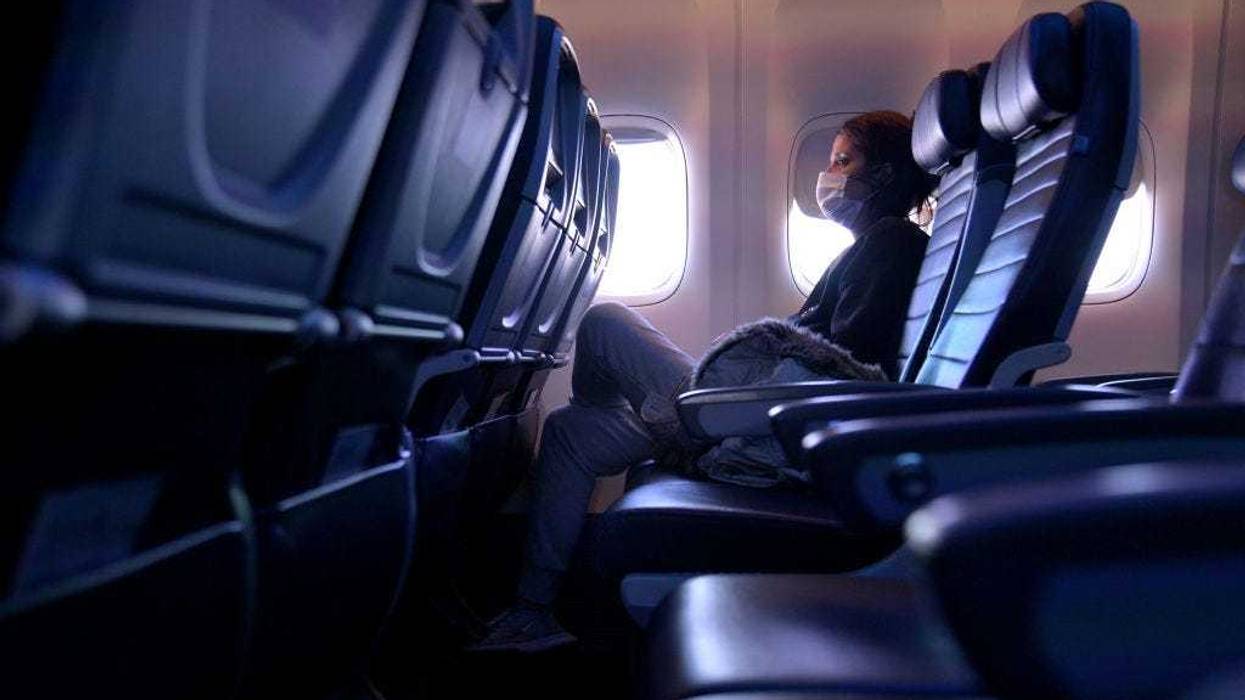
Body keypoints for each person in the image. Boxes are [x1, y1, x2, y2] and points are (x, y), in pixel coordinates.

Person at [470, 110, 937, 652]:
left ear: (881, 175)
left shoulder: (890, 245)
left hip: (762, 433)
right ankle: (534, 611)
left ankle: (615, 413)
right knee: (571, 432)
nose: (829, 177)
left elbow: (844, 370)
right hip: (749, 417)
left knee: (605, 322)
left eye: (842, 162)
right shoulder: (867, 249)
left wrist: (741, 383)